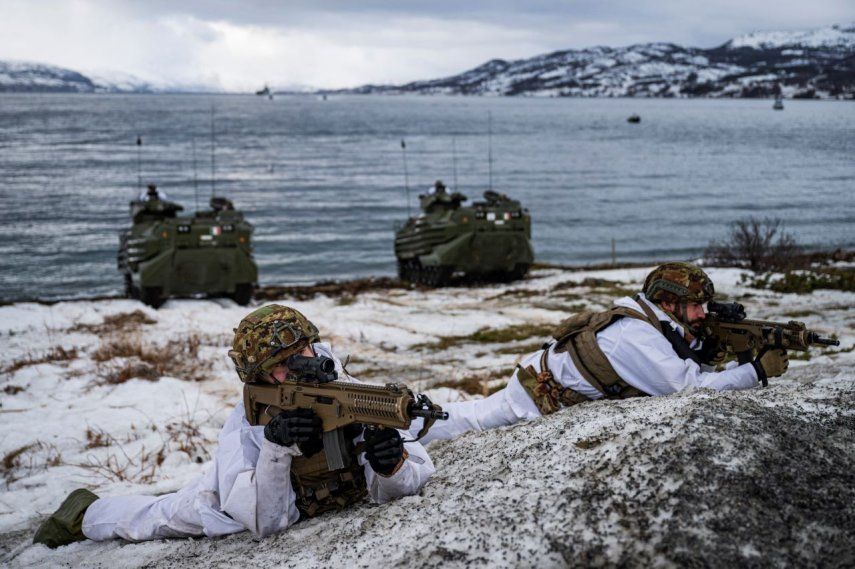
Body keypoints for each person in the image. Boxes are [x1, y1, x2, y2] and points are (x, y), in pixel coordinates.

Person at [33, 305, 435, 548]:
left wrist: (392, 467)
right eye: (281, 366)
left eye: (303, 353)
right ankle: (82, 512)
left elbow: (410, 478)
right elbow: (266, 522)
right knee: (153, 518)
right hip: (229, 500)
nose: (297, 367)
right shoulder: (245, 425)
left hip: (310, 496)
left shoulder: (349, 394)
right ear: (259, 379)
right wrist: (275, 448)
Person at [414, 262, 790, 443]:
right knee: (470, 422)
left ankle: (417, 414)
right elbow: (688, 390)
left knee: (472, 413)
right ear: (668, 302)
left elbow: (682, 355)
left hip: (539, 373)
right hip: (535, 394)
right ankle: (408, 425)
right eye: (695, 305)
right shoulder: (635, 336)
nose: (702, 314)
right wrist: (755, 372)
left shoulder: (651, 317)